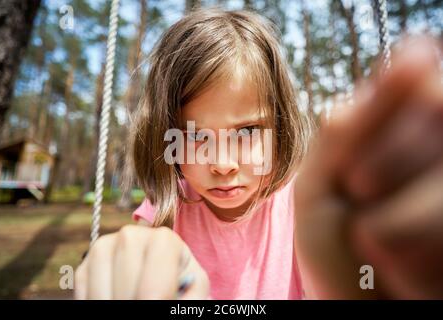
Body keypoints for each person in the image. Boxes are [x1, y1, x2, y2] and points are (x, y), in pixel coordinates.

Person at [74, 8, 443, 299]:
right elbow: (143, 256)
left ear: (280, 130)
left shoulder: (300, 207)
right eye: (195, 136)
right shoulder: (166, 210)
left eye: (247, 132)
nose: (222, 164)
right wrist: (132, 263)